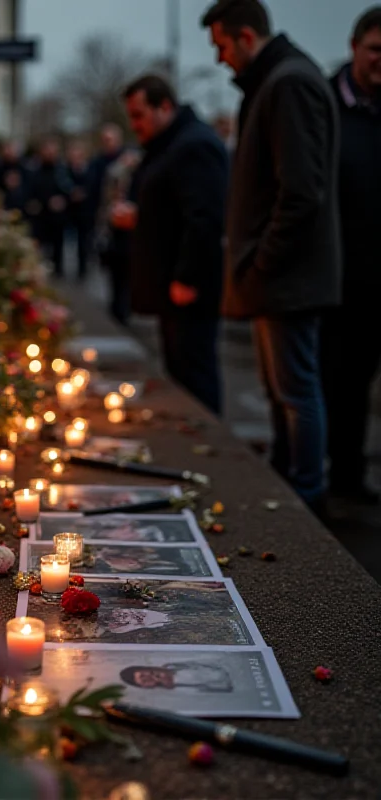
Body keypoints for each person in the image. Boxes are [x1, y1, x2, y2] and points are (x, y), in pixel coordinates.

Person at [200, 0, 341, 509]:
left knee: (296, 389)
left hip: (287, 277)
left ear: (244, 37)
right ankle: (290, 479)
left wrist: (262, 261)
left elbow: (302, 191)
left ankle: (307, 491)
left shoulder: (288, 83)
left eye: (221, 46)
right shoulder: (276, 81)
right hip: (278, 275)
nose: (219, 59)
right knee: (284, 390)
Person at [114, 74, 228, 414]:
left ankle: (208, 445)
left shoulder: (194, 145)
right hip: (171, 284)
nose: (134, 125)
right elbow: (171, 208)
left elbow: (204, 218)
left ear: (164, 106)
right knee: (180, 369)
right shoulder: (170, 144)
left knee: (195, 371)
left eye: (139, 115)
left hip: (187, 287)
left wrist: (187, 277)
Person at [320, 7, 381, 505]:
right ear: (355, 46)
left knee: (361, 382)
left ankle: (349, 472)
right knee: (333, 380)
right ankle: (330, 477)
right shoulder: (326, 105)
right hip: (335, 273)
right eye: (376, 49)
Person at [97, 148, 141, 325]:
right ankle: (117, 308)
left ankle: (124, 309)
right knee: (116, 273)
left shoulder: (140, 177)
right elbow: (106, 201)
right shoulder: (115, 175)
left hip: (132, 232)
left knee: (127, 274)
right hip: (115, 232)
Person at [25, 138, 73, 277]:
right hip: (40, 215)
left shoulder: (62, 169)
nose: (50, 154)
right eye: (47, 150)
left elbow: (69, 188)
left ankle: (58, 269)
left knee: (58, 245)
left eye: (53, 151)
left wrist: (63, 200)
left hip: (57, 216)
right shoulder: (34, 170)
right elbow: (31, 191)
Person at [66, 141, 93, 281]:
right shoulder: (65, 170)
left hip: (84, 211)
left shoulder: (88, 169)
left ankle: (83, 269)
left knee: (83, 242)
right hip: (70, 211)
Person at [120, 662, 233, 692]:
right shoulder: (179, 690)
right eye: (144, 680)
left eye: (145, 673)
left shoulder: (174, 666)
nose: (151, 676)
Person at [0, 141, 29, 212]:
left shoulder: (23, 166)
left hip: (21, 205)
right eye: (5, 149)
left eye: (10, 149)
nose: (8, 152)